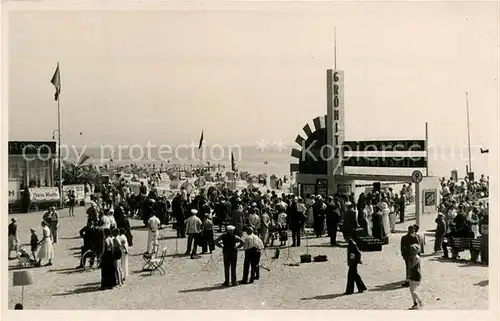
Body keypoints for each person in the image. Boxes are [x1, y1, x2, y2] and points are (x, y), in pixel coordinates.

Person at [408, 244, 423, 309]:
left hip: (416, 275)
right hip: (412, 274)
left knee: (413, 291)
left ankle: (420, 300)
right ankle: (415, 303)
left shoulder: (416, 257)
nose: (411, 251)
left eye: (413, 250)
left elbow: (411, 265)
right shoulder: (413, 257)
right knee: (411, 290)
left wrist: (409, 259)